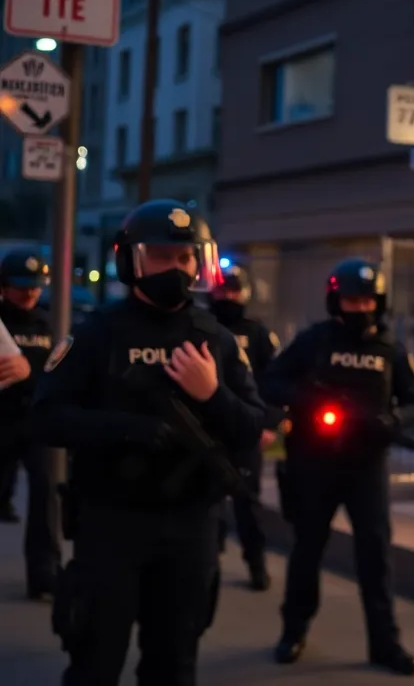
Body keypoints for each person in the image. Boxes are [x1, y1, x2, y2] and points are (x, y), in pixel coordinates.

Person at [31, 199, 267, 686]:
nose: (177, 268)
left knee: (174, 664)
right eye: (162, 255)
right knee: (96, 660)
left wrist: (212, 395)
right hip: (112, 522)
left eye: (186, 257)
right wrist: (126, 429)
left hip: (192, 524)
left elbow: (250, 427)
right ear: (131, 260)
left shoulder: (217, 339)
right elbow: (47, 418)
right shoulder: (97, 333)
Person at [260, 257, 414, 675]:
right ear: (336, 301)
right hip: (314, 464)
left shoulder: (391, 349)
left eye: (368, 301)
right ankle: (293, 631)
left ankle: (385, 644)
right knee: (307, 551)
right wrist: (307, 399)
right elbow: (270, 382)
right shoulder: (313, 341)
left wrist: (393, 421)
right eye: (352, 301)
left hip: (366, 467)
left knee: (376, 556)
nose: (361, 308)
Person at [208, 260, 280, 590]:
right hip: (209, 430)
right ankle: (209, 564)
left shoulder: (258, 333)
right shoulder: (201, 327)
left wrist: (269, 425)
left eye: (234, 291)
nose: (228, 296)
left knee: (248, 504)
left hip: (247, 428)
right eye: (223, 290)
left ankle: (256, 565)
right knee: (210, 503)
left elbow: (274, 381)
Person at [0, 251, 61, 598]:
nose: (30, 294)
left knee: (45, 493)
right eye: (22, 287)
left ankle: (44, 574)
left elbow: (58, 375)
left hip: (36, 423)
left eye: (36, 287)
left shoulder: (46, 324)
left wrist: (30, 372)